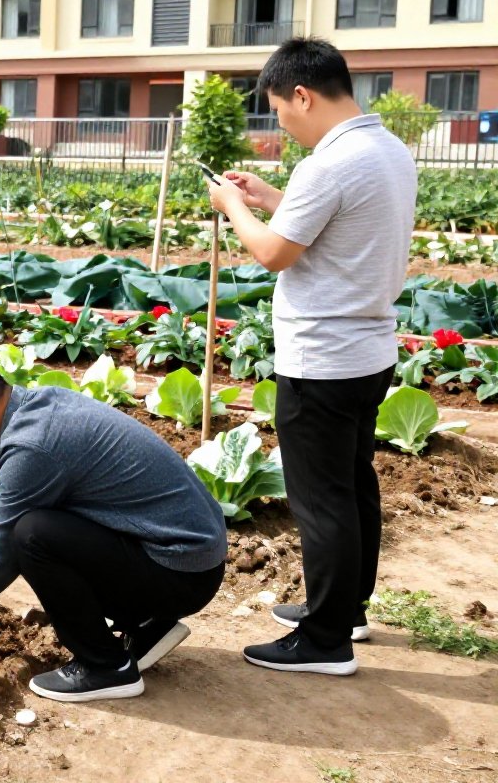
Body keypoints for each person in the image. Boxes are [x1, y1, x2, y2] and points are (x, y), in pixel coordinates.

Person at [208, 37, 416, 676]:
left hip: (322, 358)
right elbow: (334, 224)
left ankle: (326, 643)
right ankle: (344, 609)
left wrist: (234, 205)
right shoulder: (386, 150)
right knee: (352, 487)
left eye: (279, 110)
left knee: (322, 501)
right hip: (368, 351)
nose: (281, 124)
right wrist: (272, 197)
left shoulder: (326, 164)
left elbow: (273, 253)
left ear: (302, 94)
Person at [0, 355, 228, 703]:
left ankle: (106, 667)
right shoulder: (39, 407)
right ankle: (145, 624)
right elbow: (5, 497)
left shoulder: (32, 445)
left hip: (180, 573)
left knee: (32, 536)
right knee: (35, 525)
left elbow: (0, 553)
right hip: (187, 558)